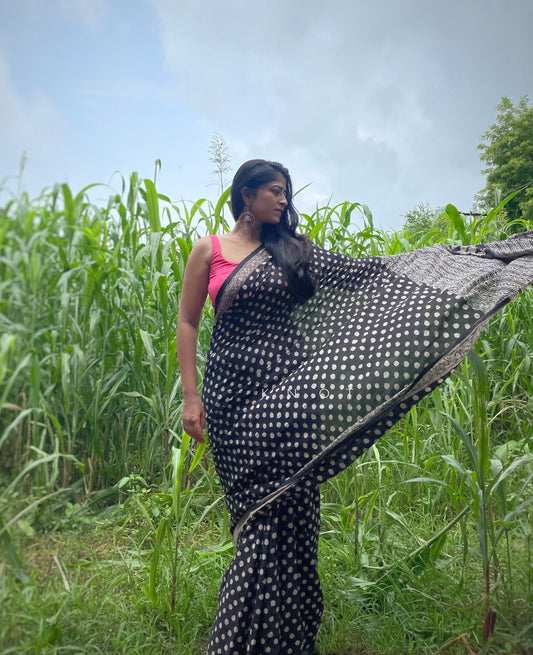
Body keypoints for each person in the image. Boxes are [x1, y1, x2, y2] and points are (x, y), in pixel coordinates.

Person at [176, 159, 533, 655]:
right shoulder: (210, 250)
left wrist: (469, 258)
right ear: (246, 194)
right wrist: (191, 398)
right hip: (231, 399)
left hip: (293, 393)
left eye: (286, 193)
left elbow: (368, 276)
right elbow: (189, 322)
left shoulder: (293, 251)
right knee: (256, 512)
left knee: (293, 511)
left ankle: (282, 639)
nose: (283, 200)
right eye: (274, 191)